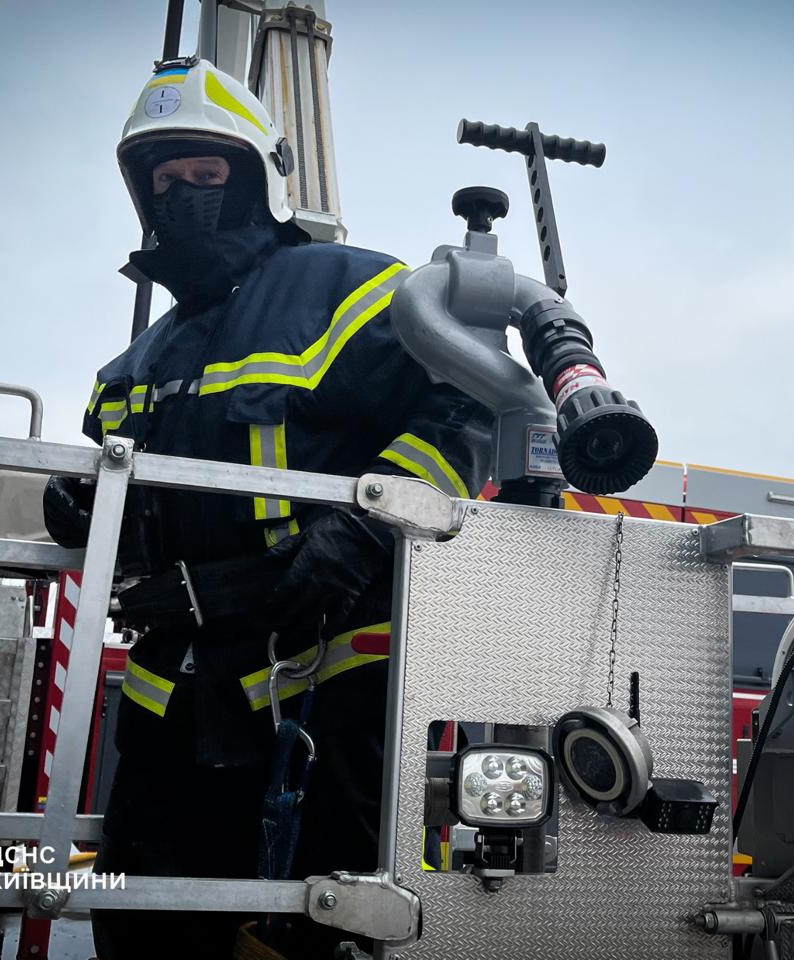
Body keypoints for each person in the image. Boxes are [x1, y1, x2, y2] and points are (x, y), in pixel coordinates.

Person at [42, 57, 492, 959]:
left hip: (325, 668)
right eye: (164, 183)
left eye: (206, 177)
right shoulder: (132, 364)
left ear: (257, 180)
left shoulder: (351, 286)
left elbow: (465, 405)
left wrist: (368, 524)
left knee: (317, 920)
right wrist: (79, 502)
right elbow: (134, 498)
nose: (183, 197)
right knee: (145, 920)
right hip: (176, 682)